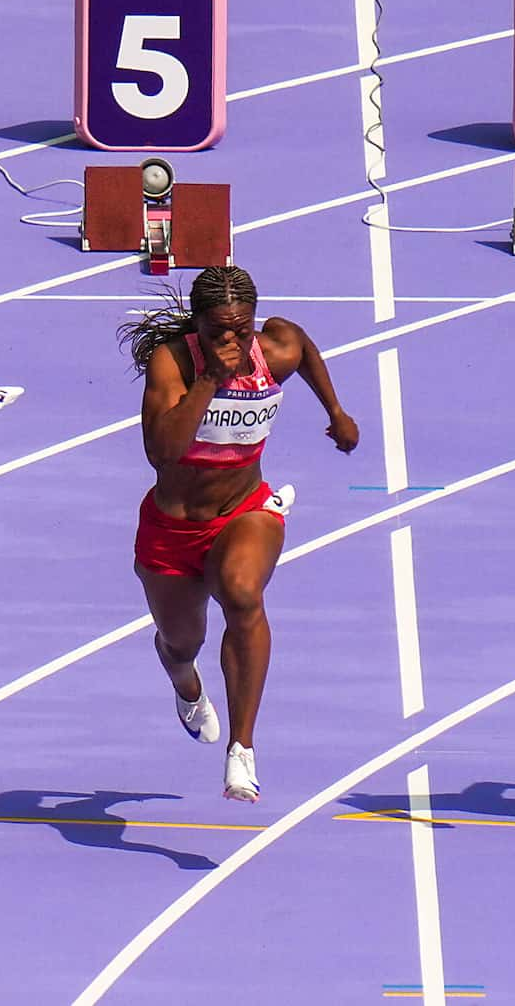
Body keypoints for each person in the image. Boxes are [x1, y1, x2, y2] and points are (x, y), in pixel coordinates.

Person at [127, 265, 359, 803]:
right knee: (182, 644)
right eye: (217, 333)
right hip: (173, 529)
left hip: (244, 510)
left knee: (241, 591)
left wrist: (337, 412)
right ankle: (185, 685)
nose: (231, 341)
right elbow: (161, 453)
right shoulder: (174, 364)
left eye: (240, 329)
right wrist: (210, 380)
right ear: (197, 325)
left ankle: (241, 749)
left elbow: (300, 346)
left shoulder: (272, 350)